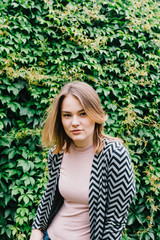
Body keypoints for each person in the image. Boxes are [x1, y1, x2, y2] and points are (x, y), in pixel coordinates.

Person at [30, 81, 136, 240]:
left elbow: (115, 219)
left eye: (83, 113)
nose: (74, 122)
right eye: (67, 115)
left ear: (95, 115)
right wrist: (36, 229)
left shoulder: (114, 154)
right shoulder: (58, 153)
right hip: (51, 236)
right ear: (60, 119)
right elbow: (49, 196)